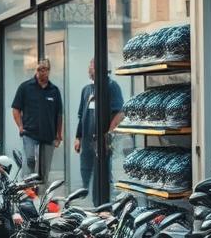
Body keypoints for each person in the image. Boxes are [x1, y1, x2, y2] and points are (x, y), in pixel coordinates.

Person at [75, 59, 125, 194]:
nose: (88, 70)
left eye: (91, 67)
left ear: (100, 69)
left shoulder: (111, 86)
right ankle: (88, 201)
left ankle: (107, 204)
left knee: (103, 173)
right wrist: (78, 137)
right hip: (87, 140)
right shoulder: (86, 90)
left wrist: (108, 135)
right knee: (86, 171)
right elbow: (81, 115)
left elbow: (120, 113)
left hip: (102, 141)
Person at [11, 58, 63, 179]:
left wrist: (58, 135)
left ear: (49, 71)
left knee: (45, 168)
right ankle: (27, 192)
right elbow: (15, 109)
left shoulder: (54, 91)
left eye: (44, 69)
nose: (41, 72)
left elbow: (59, 114)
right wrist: (20, 126)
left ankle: (41, 194)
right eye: (39, 69)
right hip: (29, 133)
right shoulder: (25, 87)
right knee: (29, 160)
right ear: (36, 70)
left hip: (48, 135)